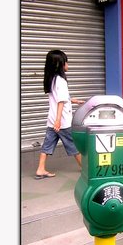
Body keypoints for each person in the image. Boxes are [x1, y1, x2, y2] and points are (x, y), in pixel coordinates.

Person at [35, 50, 84, 179]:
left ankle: (40, 169)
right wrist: (58, 121)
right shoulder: (61, 81)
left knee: (47, 144)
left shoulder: (51, 79)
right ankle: (85, 169)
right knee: (73, 144)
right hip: (62, 121)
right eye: (66, 62)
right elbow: (60, 101)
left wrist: (73, 100)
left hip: (52, 120)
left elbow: (60, 98)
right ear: (59, 65)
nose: (68, 64)